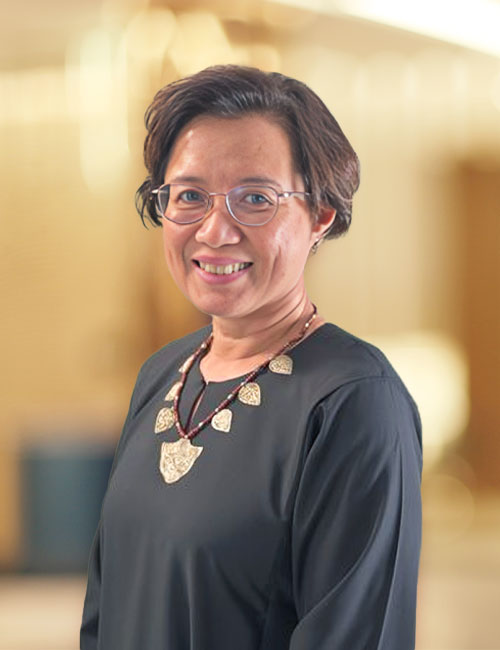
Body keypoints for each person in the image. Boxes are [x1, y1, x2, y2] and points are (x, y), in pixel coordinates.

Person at [80, 65, 422, 650]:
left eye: (256, 199)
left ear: (320, 216)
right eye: (190, 196)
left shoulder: (355, 402)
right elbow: (105, 612)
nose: (215, 231)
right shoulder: (162, 375)